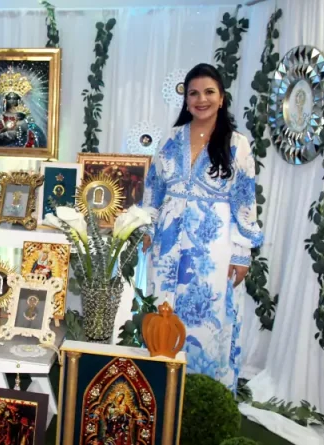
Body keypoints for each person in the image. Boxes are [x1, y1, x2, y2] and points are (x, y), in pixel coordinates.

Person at [141, 63, 262, 391]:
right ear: (186, 100)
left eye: (209, 92)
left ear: (221, 98)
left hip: (212, 247)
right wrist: (148, 228)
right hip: (167, 247)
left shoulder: (237, 144)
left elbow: (245, 200)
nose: (201, 99)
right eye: (193, 93)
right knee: (162, 314)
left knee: (206, 319)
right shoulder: (171, 139)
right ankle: (160, 393)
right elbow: (154, 188)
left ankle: (202, 395)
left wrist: (241, 252)